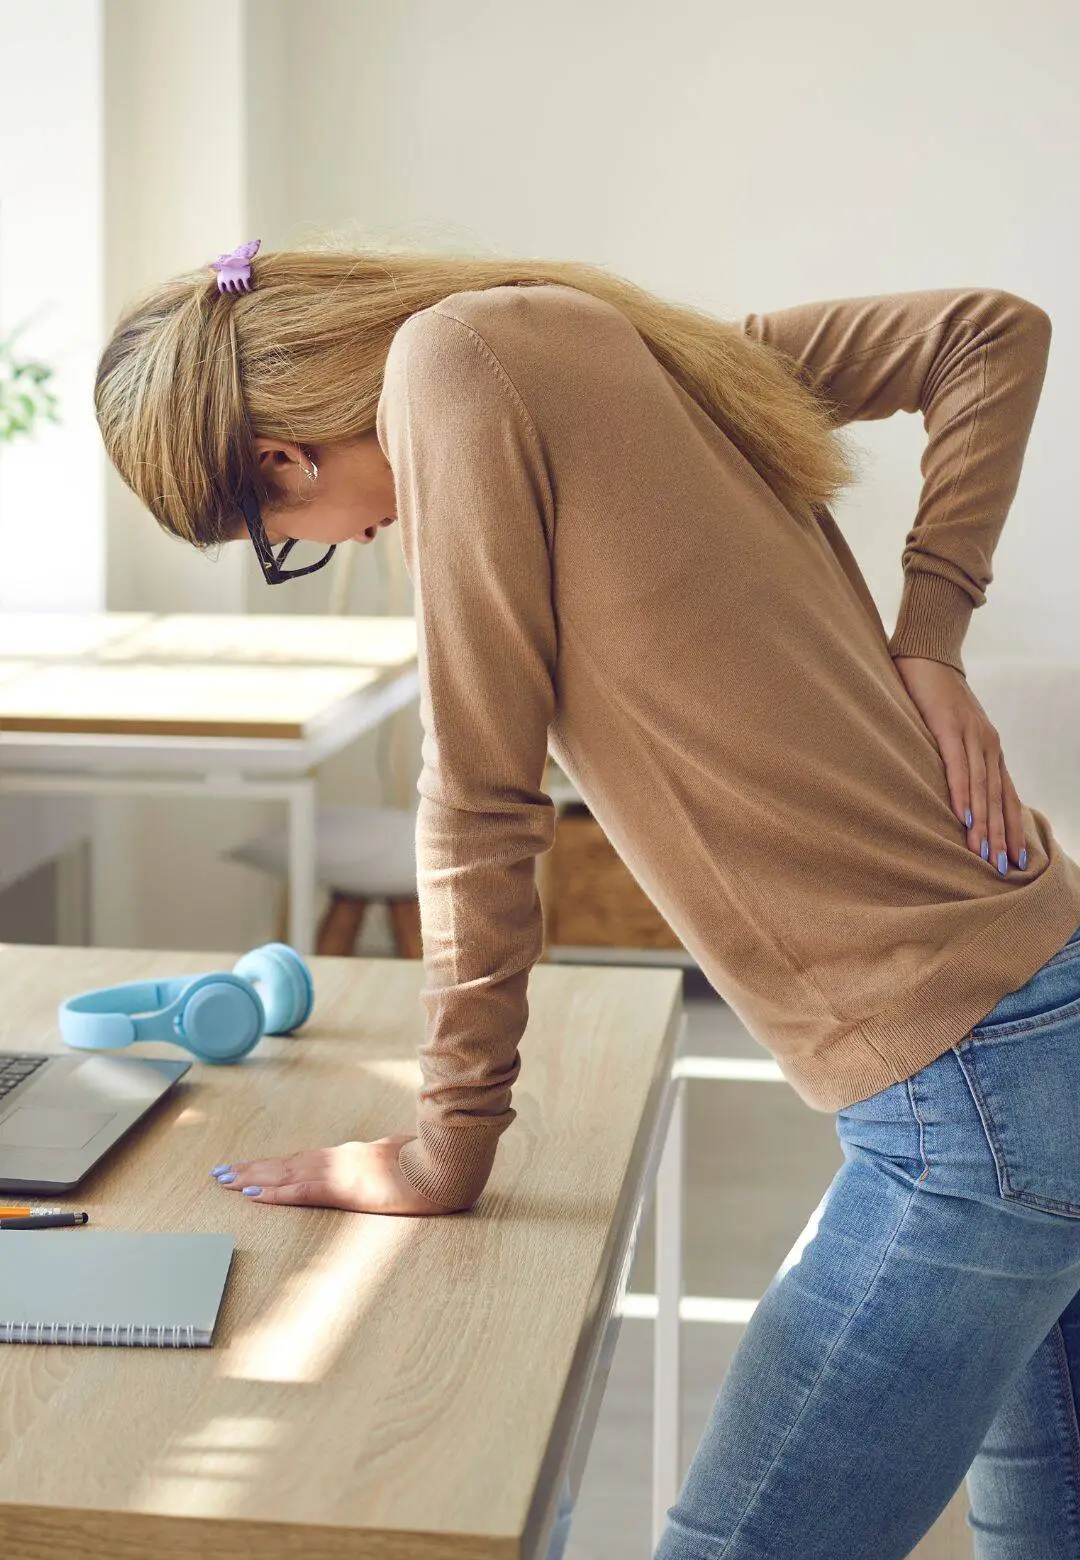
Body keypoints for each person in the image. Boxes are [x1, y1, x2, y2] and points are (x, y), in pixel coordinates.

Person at [95, 240, 1080, 1558]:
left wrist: (446, 1144)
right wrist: (928, 634)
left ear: (278, 462)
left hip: (973, 1103)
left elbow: (479, 797)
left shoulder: (451, 374)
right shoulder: (574, 337)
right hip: (1035, 1011)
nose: (337, 544)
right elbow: (989, 332)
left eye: (272, 544)